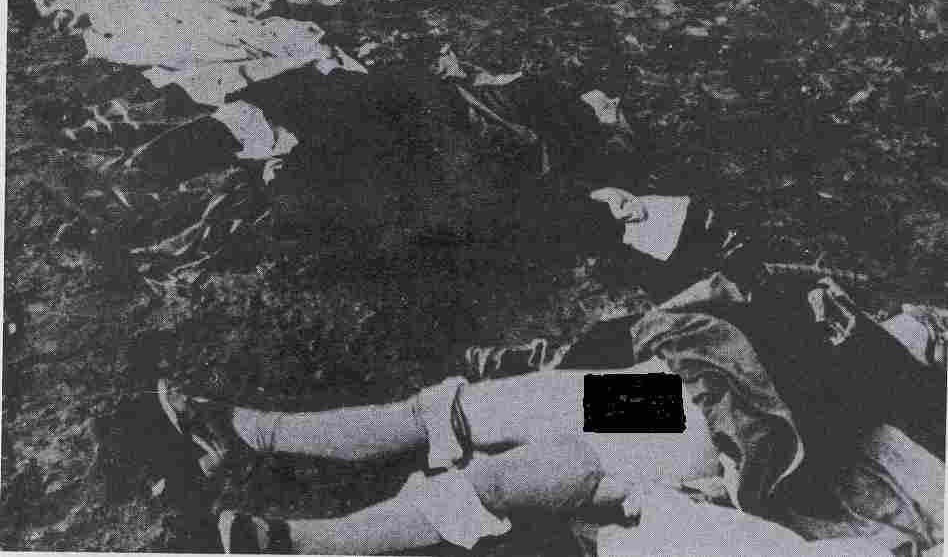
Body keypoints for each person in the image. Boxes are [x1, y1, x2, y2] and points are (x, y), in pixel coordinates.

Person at [158, 188, 946, 556]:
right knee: (476, 419)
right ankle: (247, 437)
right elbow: (721, 269)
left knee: (508, 470)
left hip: (699, 429)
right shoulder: (833, 302)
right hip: (671, 394)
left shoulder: (905, 393)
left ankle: (291, 534)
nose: (931, 322)